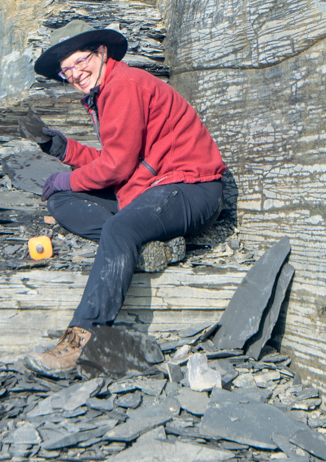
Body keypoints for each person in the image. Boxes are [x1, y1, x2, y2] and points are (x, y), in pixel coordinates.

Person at [19, 28, 226, 376]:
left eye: (80, 62)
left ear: (102, 53)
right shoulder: (106, 91)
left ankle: (80, 342)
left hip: (191, 186)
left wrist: (66, 176)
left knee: (116, 227)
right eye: (66, 71)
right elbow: (115, 157)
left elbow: (116, 167)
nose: (75, 74)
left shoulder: (123, 85)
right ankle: (136, 243)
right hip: (154, 188)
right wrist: (58, 148)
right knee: (61, 201)